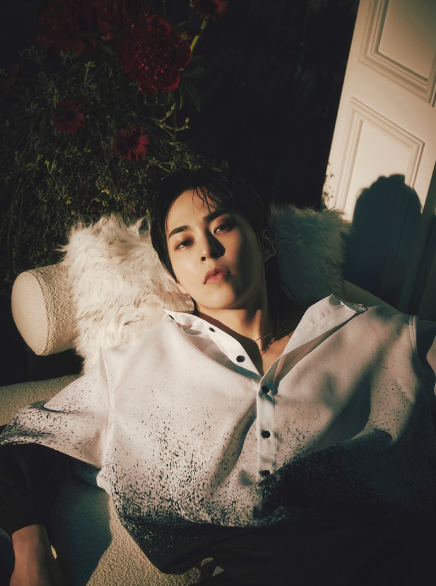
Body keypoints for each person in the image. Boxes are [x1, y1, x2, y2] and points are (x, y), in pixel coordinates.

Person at [1, 167, 436, 586]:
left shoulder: (376, 334)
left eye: (222, 226)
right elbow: (23, 443)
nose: (207, 250)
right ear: (177, 278)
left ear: (265, 243)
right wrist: (30, 551)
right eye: (184, 242)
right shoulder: (137, 366)